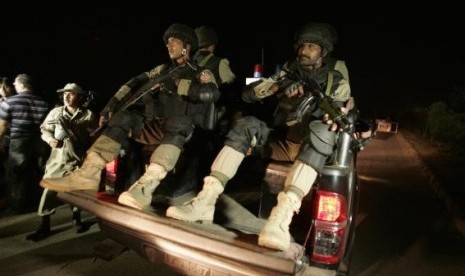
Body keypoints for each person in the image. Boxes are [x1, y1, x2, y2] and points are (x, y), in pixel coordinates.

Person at [166, 22, 352, 251]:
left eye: (311, 46)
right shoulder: (287, 71)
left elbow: (342, 107)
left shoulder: (335, 79)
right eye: (302, 46)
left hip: (311, 146)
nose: (304, 51)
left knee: (323, 132)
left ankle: (280, 219)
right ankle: (206, 200)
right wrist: (278, 88)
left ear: (323, 50)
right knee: (247, 125)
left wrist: (327, 108)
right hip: (284, 139)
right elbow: (248, 94)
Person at [40, 23, 221, 212]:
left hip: (181, 131)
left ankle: (145, 188)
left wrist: (177, 85)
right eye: (167, 43)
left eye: (173, 42)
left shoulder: (200, 72)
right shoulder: (161, 70)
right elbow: (132, 84)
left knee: (179, 122)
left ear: (187, 46)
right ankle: (88, 173)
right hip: (153, 125)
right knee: (123, 117)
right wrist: (109, 107)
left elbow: (211, 94)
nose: (168, 46)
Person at [26, 83, 97, 241]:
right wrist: (50, 139)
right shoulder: (56, 112)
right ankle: (45, 224)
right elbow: (44, 129)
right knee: (49, 190)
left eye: (71, 94)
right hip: (58, 159)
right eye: (65, 94)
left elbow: (94, 136)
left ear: (79, 96)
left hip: (78, 160)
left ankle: (76, 219)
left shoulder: (88, 115)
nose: (66, 96)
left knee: (76, 191)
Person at [0, 74, 49, 212]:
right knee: (39, 172)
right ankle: (41, 202)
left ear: (21, 85)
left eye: (15, 84)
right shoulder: (42, 102)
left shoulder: (9, 102)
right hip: (39, 141)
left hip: (19, 142)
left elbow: (2, 127)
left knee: (17, 174)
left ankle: (16, 206)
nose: (13, 86)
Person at [0, 77, 17, 209]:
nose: (3, 90)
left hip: (17, 139)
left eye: (5, 86)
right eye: (0, 87)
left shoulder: (18, 101)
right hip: (4, 140)